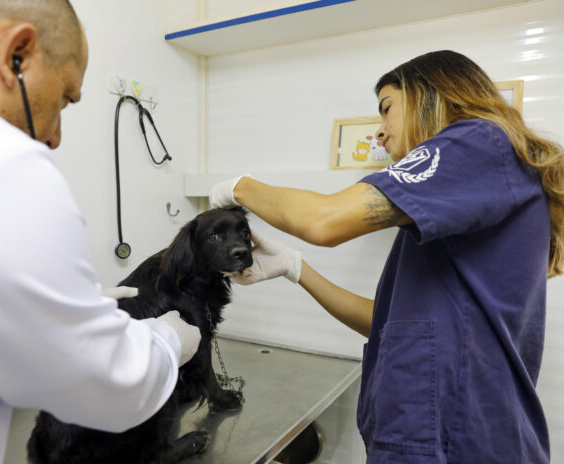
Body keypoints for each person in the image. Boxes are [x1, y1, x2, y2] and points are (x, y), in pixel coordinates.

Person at [0, 1, 201, 462]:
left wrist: (52, 303)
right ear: (16, 54)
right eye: (64, 98)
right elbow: (104, 385)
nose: (55, 136)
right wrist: (168, 341)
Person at [210, 50, 563, 463]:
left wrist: (239, 187)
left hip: (458, 440)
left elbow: (323, 220)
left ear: (431, 94)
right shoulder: (467, 192)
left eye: (386, 108)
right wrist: (295, 267)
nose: (379, 132)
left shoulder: (478, 141)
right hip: (449, 435)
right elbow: (390, 325)